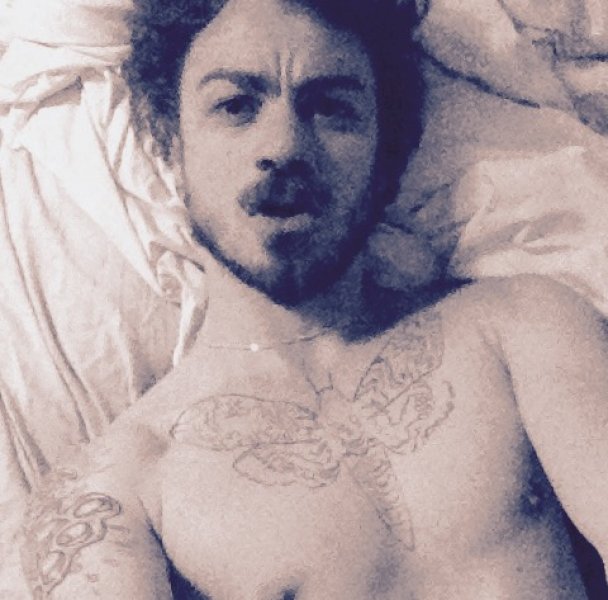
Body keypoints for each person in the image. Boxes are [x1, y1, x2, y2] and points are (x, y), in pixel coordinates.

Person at [18, 0, 608, 598]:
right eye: (235, 105)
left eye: (331, 108)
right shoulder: (114, 491)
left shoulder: (522, 326)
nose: (284, 145)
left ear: (385, 155)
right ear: (172, 145)